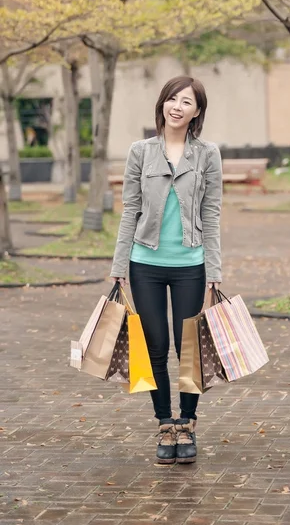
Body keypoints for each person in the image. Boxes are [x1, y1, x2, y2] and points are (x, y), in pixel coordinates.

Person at [110, 75, 222, 464]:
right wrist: (119, 264)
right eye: (172, 99)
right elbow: (130, 210)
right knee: (155, 348)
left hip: (191, 265)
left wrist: (215, 269)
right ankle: (164, 425)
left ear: (197, 112)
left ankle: (188, 423)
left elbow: (211, 213)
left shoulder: (207, 154)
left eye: (186, 102)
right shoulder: (141, 152)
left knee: (188, 348)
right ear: (162, 104)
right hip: (146, 264)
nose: (177, 106)